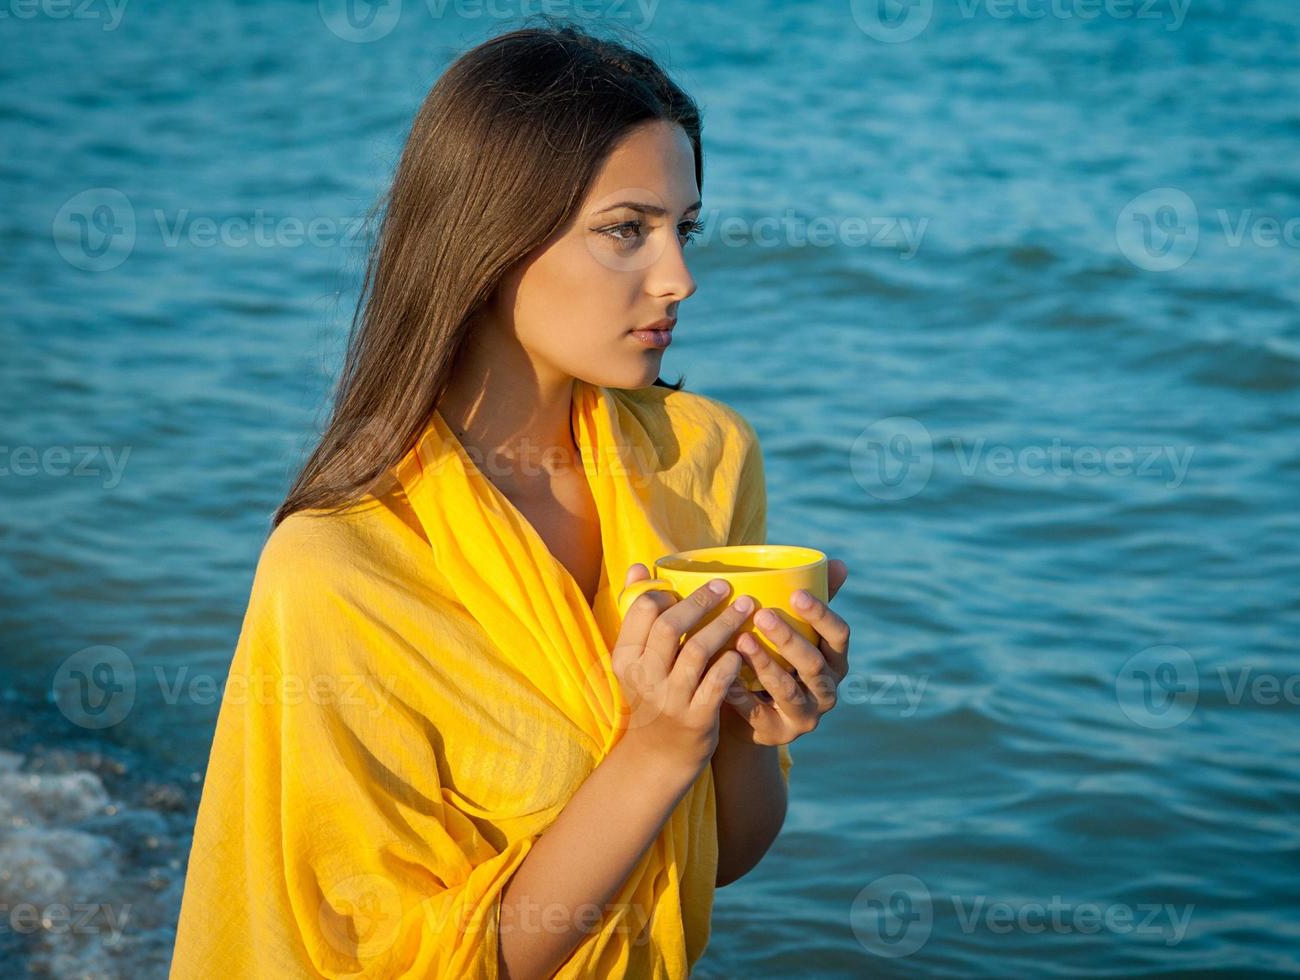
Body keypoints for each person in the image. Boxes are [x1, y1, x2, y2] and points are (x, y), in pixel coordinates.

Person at [169, 21, 852, 980]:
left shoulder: (705, 460)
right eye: (626, 230)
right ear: (491, 236)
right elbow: (419, 965)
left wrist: (751, 729)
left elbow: (716, 863)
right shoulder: (343, 568)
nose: (680, 279)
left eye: (683, 228)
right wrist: (653, 750)